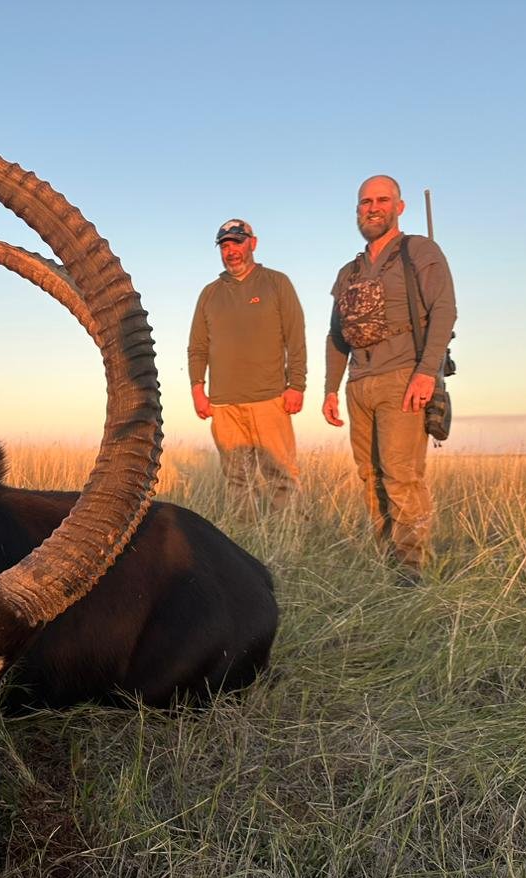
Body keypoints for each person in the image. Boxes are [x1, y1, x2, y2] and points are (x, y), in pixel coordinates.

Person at [322, 175, 456, 584]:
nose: (372, 207)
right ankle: (387, 563)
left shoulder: (419, 251)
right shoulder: (350, 271)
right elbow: (336, 334)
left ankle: (411, 573)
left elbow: (445, 310)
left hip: (403, 376)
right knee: (370, 477)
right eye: (365, 202)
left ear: (399, 207)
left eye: (382, 200)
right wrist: (330, 388)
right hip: (358, 383)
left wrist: (425, 373)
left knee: (401, 476)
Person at [188, 218, 307, 518]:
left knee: (281, 475)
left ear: (252, 243)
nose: (231, 251)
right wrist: (197, 390)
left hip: (270, 398)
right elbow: (197, 347)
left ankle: (288, 539)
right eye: (225, 246)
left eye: (237, 243)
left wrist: (297, 385)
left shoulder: (276, 283)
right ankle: (245, 542)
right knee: (237, 479)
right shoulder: (210, 293)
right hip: (224, 403)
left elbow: (296, 336)